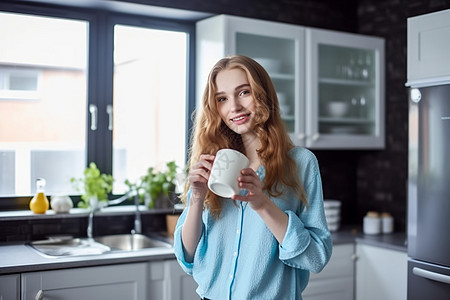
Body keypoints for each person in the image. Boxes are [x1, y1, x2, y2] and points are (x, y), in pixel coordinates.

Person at [173, 55, 332, 300]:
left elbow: (316, 257)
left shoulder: (301, 163)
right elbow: (188, 256)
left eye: (244, 92)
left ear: (263, 94)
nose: (234, 107)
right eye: (222, 99)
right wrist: (196, 197)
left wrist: (262, 204)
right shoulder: (215, 162)